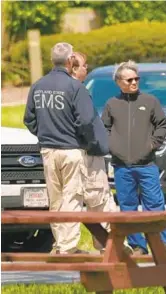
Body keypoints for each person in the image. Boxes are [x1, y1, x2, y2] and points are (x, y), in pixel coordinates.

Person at [23, 42, 97, 254]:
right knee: (72, 197)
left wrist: (44, 134)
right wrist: (85, 142)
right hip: (71, 150)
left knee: (55, 199)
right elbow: (85, 121)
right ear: (69, 61)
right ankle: (69, 246)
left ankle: (59, 243)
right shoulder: (75, 87)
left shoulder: (37, 86)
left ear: (51, 60)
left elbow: (28, 118)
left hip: (48, 150)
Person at [101, 60, 166, 255]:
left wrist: (151, 144)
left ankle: (164, 246)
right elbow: (104, 129)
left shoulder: (150, 101)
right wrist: (112, 146)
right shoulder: (111, 104)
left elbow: (162, 125)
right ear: (119, 82)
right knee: (128, 208)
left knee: (155, 206)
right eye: (129, 80)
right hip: (121, 167)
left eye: (136, 79)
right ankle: (138, 246)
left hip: (147, 165)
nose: (134, 82)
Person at [70, 52, 132, 254]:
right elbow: (86, 122)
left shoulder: (62, 89)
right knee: (99, 197)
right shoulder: (77, 90)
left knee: (73, 199)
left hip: (70, 151)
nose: (86, 69)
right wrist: (95, 143)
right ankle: (111, 244)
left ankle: (76, 244)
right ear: (74, 68)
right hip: (88, 152)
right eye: (84, 65)